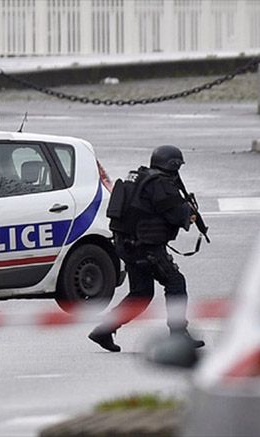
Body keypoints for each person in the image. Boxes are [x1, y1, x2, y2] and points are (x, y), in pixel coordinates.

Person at [88, 145, 205, 352]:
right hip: (146, 248)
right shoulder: (161, 185)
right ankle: (179, 335)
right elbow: (177, 215)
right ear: (173, 165)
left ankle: (104, 330)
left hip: (127, 245)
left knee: (141, 294)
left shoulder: (139, 178)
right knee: (176, 283)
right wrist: (191, 214)